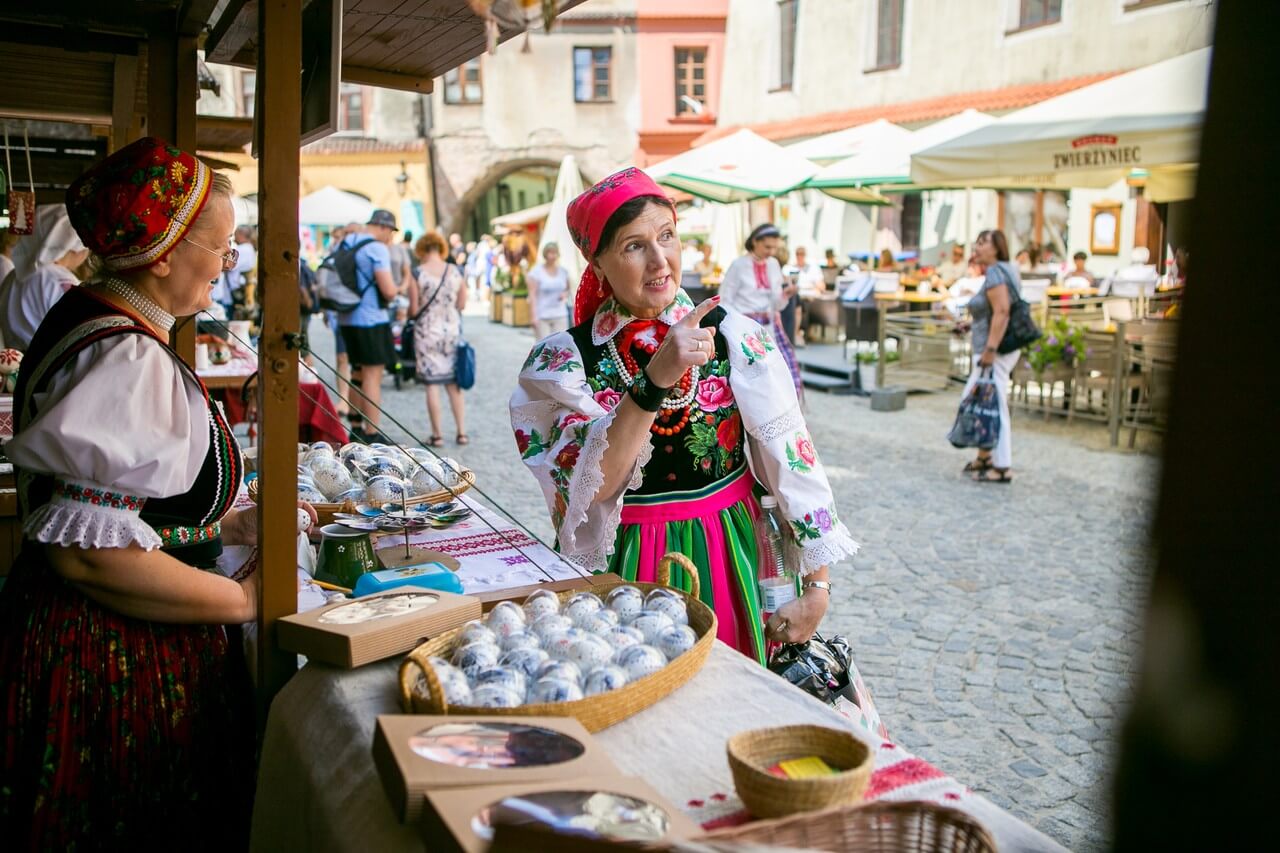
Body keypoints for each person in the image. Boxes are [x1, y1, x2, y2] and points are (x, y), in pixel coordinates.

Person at [0, 136, 317, 848]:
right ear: (165, 251)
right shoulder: (126, 355)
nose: (228, 266)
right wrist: (243, 598)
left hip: (81, 636)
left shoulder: (95, 317)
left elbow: (120, 508)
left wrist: (226, 527)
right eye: (222, 247)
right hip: (108, 657)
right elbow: (85, 554)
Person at [509, 168, 859, 664]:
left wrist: (818, 588)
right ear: (598, 264)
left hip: (731, 553)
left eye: (666, 236)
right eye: (634, 245)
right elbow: (595, 487)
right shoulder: (564, 362)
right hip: (627, 567)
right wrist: (654, 380)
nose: (659, 260)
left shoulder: (734, 335)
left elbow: (793, 457)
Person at [961, 229, 1022, 484]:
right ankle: (985, 455)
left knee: (993, 405)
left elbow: (1003, 311)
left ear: (997, 248)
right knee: (980, 401)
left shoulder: (996, 272)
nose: (977, 246)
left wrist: (990, 350)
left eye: (983, 242)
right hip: (995, 348)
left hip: (994, 351)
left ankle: (1003, 465)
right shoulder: (1006, 269)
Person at [717, 223, 803, 399]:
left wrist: (785, 295)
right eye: (767, 247)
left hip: (768, 328)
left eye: (774, 248)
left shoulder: (773, 265)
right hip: (743, 328)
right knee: (750, 376)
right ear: (755, 241)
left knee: (774, 373)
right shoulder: (739, 265)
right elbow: (725, 299)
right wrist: (741, 323)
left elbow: (776, 303)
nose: (771, 252)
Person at [337, 209, 401, 442]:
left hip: (346, 318)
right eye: (390, 232)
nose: (390, 238)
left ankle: (355, 427)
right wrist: (400, 287)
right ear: (382, 227)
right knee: (373, 375)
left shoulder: (346, 242)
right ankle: (372, 432)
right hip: (371, 320)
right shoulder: (376, 248)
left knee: (356, 372)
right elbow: (388, 290)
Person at [0, 204, 90, 350]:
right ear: (75, 248)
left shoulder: (15, 274)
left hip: (15, 365)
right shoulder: (61, 282)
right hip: (48, 366)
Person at [411, 231, 468, 446]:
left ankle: (438, 436)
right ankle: (462, 433)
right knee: (454, 384)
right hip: (451, 331)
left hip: (427, 332)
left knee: (432, 385)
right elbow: (462, 303)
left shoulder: (417, 273)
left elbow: (414, 308)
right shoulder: (455, 271)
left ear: (422, 250)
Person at [528, 241, 571, 340]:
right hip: (542, 315)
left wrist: (565, 294)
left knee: (560, 346)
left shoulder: (563, 272)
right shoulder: (536, 272)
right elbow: (532, 295)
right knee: (544, 348)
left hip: (560, 314)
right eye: (550, 253)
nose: (552, 255)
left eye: (555, 253)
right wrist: (533, 316)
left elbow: (567, 289)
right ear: (545, 254)